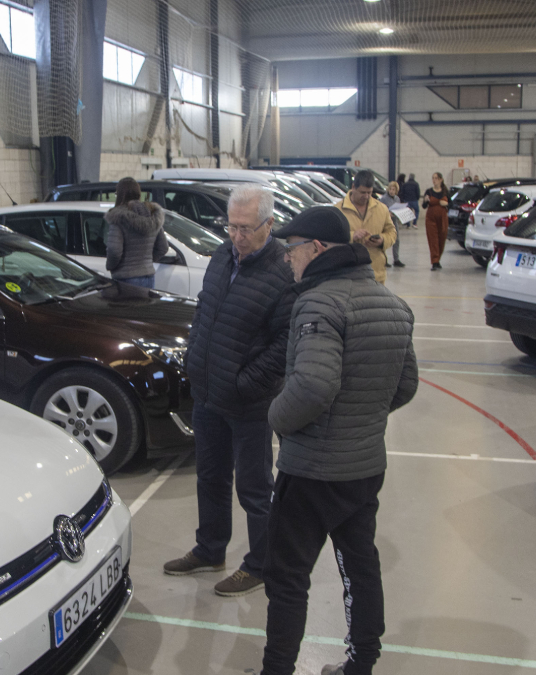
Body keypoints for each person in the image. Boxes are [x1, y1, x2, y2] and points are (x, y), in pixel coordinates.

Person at [259, 205, 418, 675]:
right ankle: (361, 664)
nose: (288, 259)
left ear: (317, 249)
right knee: (359, 566)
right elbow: (405, 385)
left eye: (292, 250)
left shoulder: (318, 302)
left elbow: (313, 386)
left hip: (312, 470)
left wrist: (275, 418)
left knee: (286, 578)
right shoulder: (391, 303)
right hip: (365, 465)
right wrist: (361, 417)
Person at [164, 184, 295, 597]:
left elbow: (284, 344)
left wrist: (245, 383)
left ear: (268, 225)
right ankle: (210, 549)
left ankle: (261, 564)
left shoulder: (284, 271)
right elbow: (205, 306)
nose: (236, 236)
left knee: (254, 488)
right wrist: (194, 356)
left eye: (246, 229)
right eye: (231, 226)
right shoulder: (223, 255)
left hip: (250, 402)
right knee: (210, 476)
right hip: (208, 391)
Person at [105, 177, 169, 289]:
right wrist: (147, 261)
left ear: (119, 194)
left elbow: (114, 250)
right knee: (145, 307)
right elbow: (163, 247)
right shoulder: (152, 215)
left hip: (125, 278)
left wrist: (110, 266)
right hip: (149, 277)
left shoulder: (118, 217)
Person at [336, 169, 396, 284]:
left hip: (376, 275)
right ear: (353, 187)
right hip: (348, 276)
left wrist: (383, 240)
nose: (367, 196)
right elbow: (330, 236)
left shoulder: (382, 209)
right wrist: (352, 236)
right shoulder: (338, 210)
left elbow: (392, 232)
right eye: (363, 192)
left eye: (369, 192)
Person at [421, 172, 449, 271]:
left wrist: (446, 204)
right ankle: (434, 261)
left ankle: (438, 259)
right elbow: (424, 206)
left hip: (442, 219)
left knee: (441, 240)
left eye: (436, 178)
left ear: (441, 179)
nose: (434, 180)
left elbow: (452, 204)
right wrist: (425, 201)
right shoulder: (429, 191)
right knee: (433, 240)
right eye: (433, 178)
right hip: (431, 219)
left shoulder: (445, 191)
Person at [378, 181, 406, 268]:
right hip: (385, 222)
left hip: (394, 221)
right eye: (390, 189)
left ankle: (396, 259)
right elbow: (380, 209)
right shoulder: (384, 198)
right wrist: (387, 213)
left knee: (396, 240)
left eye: (393, 189)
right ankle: (384, 259)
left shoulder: (397, 199)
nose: (391, 191)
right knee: (384, 240)